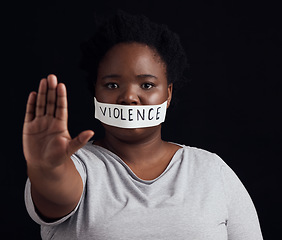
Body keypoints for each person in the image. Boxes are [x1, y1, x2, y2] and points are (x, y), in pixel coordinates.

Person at [23, 11, 263, 239]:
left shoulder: (212, 171)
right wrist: (47, 169)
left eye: (146, 85)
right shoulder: (76, 165)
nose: (129, 97)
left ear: (168, 94)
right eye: (112, 85)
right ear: (95, 93)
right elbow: (56, 194)